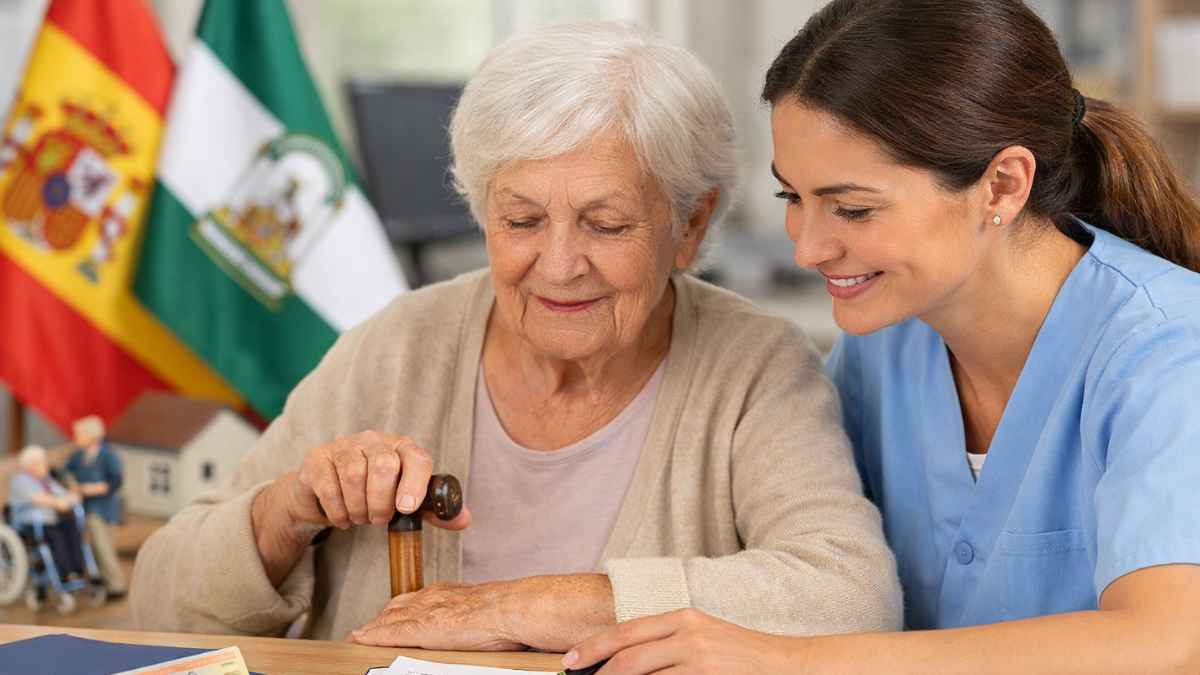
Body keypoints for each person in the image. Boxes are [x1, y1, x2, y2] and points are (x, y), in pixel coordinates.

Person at [130, 22, 900, 649]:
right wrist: (289, 509)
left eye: (606, 224)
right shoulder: (400, 343)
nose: (559, 265)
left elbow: (849, 594)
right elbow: (160, 599)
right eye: (521, 219)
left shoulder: (753, 363)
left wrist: (533, 606)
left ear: (690, 225)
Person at [564, 1, 1200, 672]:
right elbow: (786, 549)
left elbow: (1169, 640)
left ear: (1003, 186)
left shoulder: (1165, 349)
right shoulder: (886, 341)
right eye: (792, 199)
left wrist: (789, 660)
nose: (808, 248)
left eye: (852, 208)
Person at [66, 415, 127, 597]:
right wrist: (73, 486)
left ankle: (116, 585)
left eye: (79, 434)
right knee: (91, 546)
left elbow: (115, 481)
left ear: (91, 436)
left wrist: (94, 488)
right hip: (83, 507)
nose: (76, 438)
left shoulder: (108, 455)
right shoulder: (77, 456)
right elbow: (67, 472)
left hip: (103, 508)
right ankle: (101, 579)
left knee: (103, 545)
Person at [8, 445, 86, 579]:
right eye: (42, 462)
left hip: (51, 520)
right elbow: (37, 498)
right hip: (30, 524)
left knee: (72, 527)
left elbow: (66, 494)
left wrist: (71, 498)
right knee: (56, 535)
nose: (46, 465)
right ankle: (65, 572)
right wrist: (59, 502)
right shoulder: (21, 481)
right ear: (31, 465)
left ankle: (78, 569)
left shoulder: (47, 481)